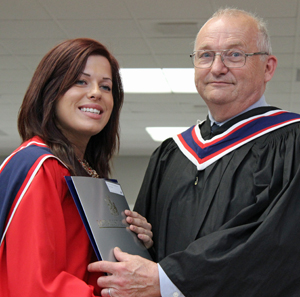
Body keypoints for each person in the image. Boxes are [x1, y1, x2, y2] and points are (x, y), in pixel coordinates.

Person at [87, 8, 300, 297]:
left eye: (235, 55)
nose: (217, 68)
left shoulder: (291, 143)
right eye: (205, 55)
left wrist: (168, 279)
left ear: (268, 67)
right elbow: (146, 257)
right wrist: (144, 242)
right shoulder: (171, 153)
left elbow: (277, 244)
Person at [0, 38, 152, 297]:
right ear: (50, 91)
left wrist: (133, 243)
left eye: (106, 86)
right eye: (80, 81)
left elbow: (83, 267)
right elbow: (36, 286)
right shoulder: (39, 166)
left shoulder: (81, 170)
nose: (96, 93)